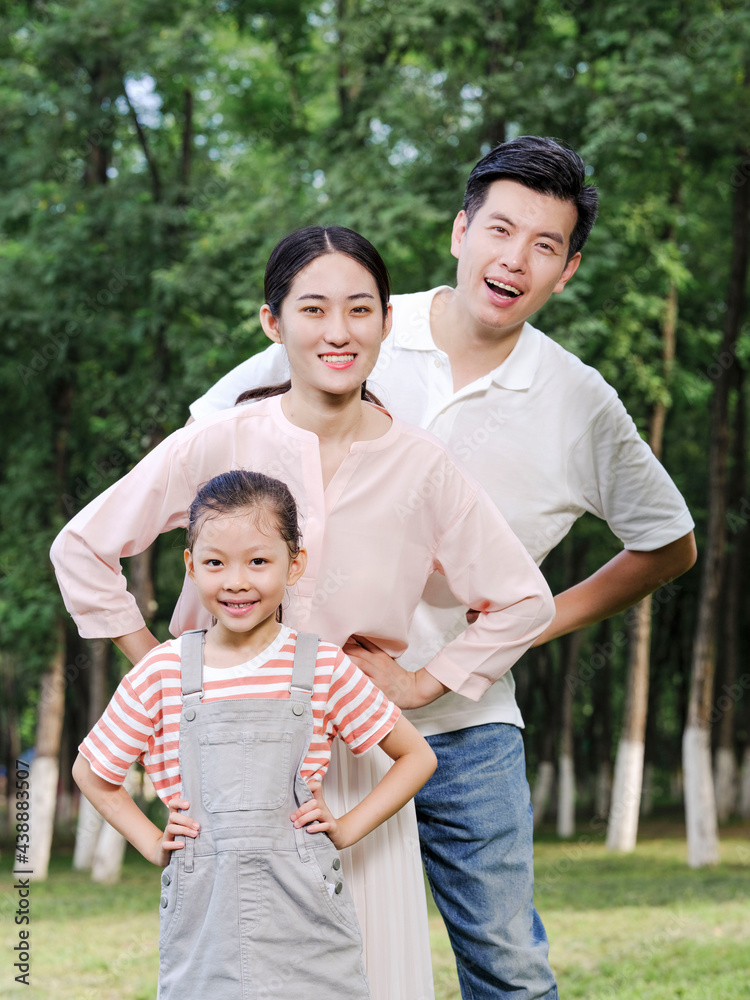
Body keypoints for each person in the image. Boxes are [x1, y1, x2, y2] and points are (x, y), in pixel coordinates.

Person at [189, 137, 697, 999]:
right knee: (282, 954)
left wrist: (482, 650)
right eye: (500, 229)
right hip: (303, 718)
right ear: (460, 231)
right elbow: (209, 440)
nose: (515, 259)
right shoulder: (356, 321)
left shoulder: (580, 402)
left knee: (508, 966)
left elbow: (669, 542)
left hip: (469, 725)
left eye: (545, 246)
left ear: (566, 271)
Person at [52, 224, 556, 1000]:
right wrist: (169, 671)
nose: (338, 331)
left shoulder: (423, 466)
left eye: (360, 310)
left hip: (353, 766)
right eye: (313, 308)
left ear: (388, 321)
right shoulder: (215, 443)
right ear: (272, 322)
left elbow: (524, 599)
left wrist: (423, 685)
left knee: (374, 972)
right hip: (226, 771)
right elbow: (82, 548)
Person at [72, 469, 437, 998]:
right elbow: (91, 772)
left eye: (258, 561)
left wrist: (349, 827)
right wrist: (151, 842)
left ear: (295, 564)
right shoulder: (162, 671)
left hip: (305, 901)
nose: (236, 581)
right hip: (204, 904)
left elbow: (416, 757)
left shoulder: (323, 668)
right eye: (215, 562)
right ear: (190, 566)